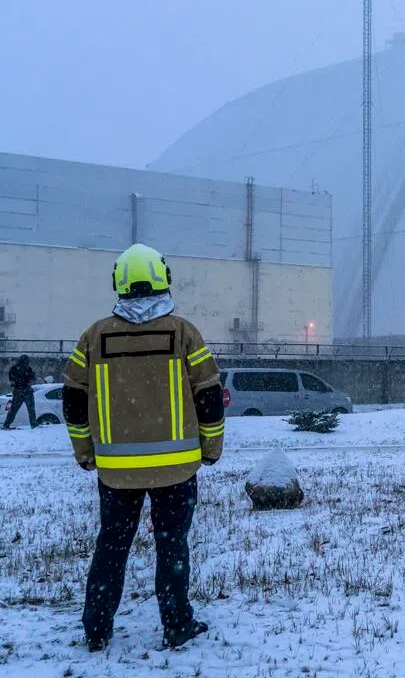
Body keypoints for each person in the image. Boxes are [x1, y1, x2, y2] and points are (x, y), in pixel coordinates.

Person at [63, 244, 225, 652]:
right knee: (172, 546)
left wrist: (85, 451)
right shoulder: (184, 333)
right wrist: (211, 448)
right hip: (178, 470)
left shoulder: (95, 336)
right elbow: (208, 395)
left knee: (111, 547)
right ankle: (176, 624)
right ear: (163, 278)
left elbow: (73, 400)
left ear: (118, 282)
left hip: (116, 472)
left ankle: (97, 629)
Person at [3, 355, 37, 429]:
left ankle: (6, 424)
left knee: (13, 409)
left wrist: (16, 388)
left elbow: (12, 382)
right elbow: (33, 379)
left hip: (18, 392)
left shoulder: (14, 369)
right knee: (31, 410)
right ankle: (33, 424)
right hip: (27, 391)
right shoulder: (28, 369)